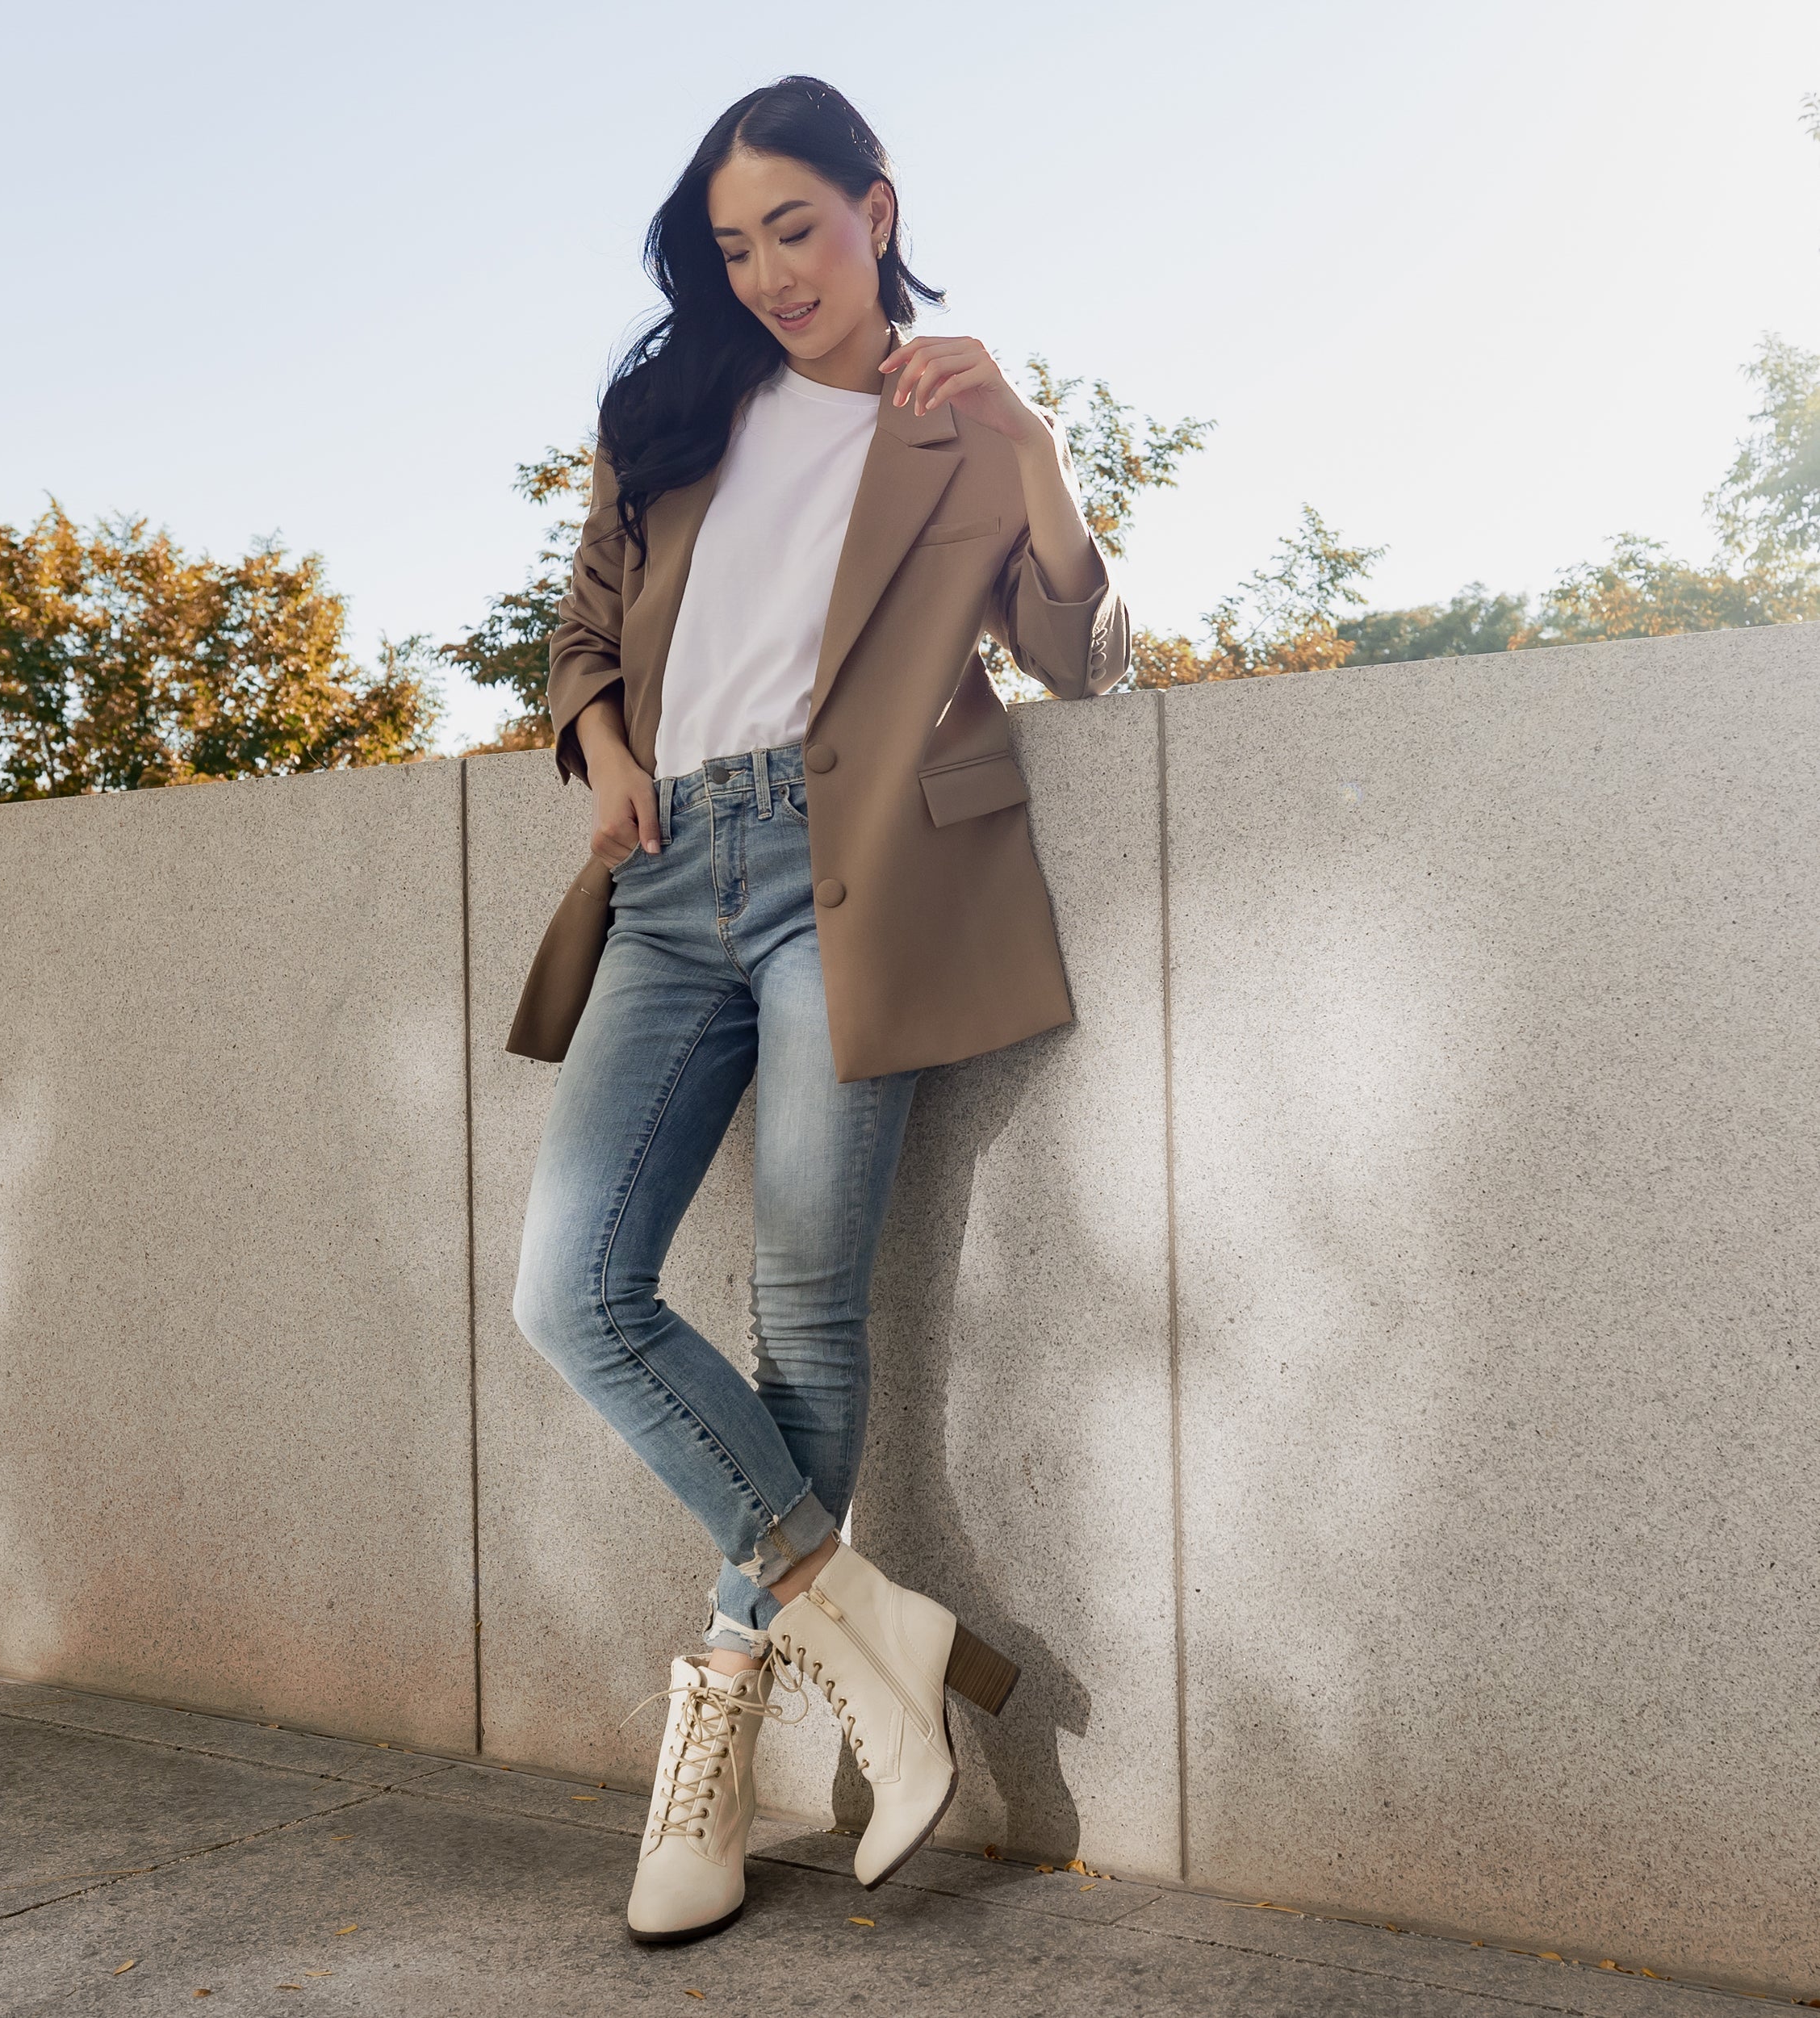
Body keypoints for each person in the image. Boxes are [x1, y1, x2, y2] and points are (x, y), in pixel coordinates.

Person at [508, 74, 1129, 1945]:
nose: (768, 270)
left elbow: (1080, 649)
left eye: (795, 225)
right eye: (730, 243)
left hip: (846, 878)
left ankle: (713, 1739)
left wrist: (1026, 434)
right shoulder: (665, 409)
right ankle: (868, 1632)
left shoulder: (952, 417)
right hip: (668, 874)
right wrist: (606, 742)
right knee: (571, 1288)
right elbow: (580, 632)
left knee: (800, 1325)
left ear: (874, 206)